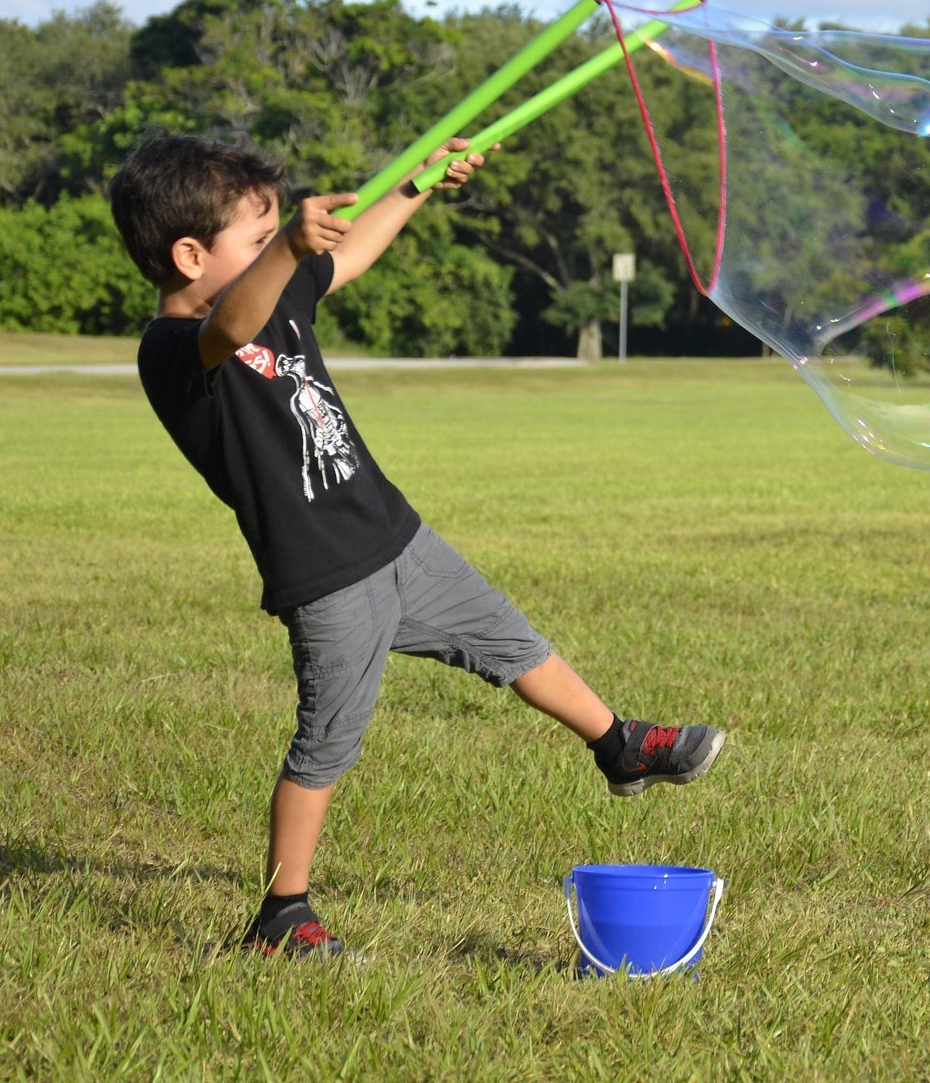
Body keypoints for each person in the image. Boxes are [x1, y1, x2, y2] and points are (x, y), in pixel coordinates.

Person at [109, 132, 725, 959]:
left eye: (272, 240)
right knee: (327, 740)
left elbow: (351, 251)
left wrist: (423, 181)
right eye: (254, 241)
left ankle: (620, 746)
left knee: (515, 643)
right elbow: (232, 322)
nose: (277, 253)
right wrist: (286, 246)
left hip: (392, 533)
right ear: (189, 256)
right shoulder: (174, 353)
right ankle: (281, 915)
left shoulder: (277, 289)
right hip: (326, 574)